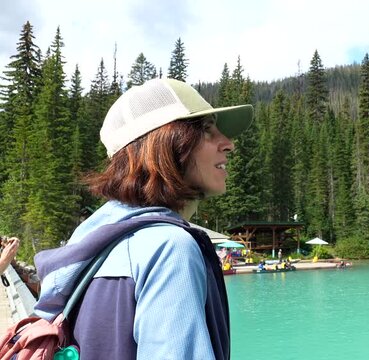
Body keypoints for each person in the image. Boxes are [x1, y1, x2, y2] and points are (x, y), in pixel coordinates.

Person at [32, 78, 253, 359]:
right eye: (208, 130)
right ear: (167, 144)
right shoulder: (168, 248)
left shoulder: (89, 243)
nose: (229, 144)